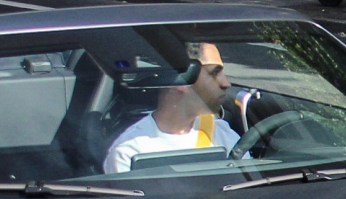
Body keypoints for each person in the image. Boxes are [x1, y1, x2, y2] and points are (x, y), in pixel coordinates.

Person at [104, 44, 243, 171]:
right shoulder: (129, 152)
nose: (226, 83)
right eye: (214, 73)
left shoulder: (222, 134)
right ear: (181, 78)